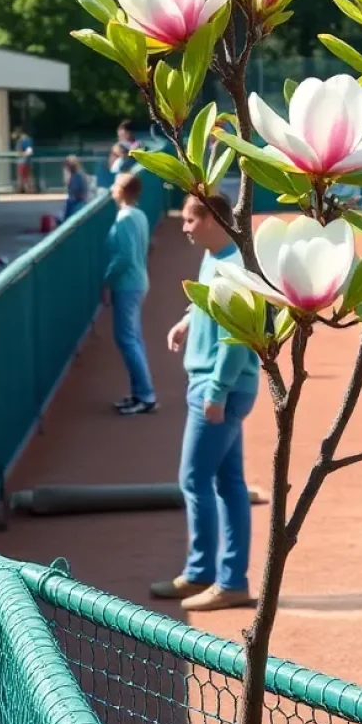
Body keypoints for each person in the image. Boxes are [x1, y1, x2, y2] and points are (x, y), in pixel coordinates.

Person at [151, 193, 259, 612]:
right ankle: (225, 578)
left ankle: (208, 575)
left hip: (220, 389)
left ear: (213, 219)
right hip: (221, 385)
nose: (185, 227)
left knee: (194, 479)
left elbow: (234, 340)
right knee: (227, 483)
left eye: (191, 220)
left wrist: (215, 392)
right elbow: (205, 304)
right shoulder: (217, 258)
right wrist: (185, 320)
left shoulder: (230, 268)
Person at [104, 172, 158, 416]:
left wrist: (107, 281)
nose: (112, 189)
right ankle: (140, 393)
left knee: (127, 339)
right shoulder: (139, 215)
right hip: (137, 282)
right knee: (133, 338)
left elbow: (124, 257)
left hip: (127, 285)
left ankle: (146, 395)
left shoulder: (125, 218)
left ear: (123, 191)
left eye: (116, 186)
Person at [63, 156, 90, 221]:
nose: (67, 167)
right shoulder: (73, 175)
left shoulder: (79, 175)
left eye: (68, 165)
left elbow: (82, 191)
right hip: (72, 202)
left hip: (78, 203)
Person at [14, 127, 34, 193]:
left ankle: (28, 190)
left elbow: (29, 151)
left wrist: (22, 154)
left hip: (24, 161)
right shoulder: (20, 140)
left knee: (25, 177)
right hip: (22, 161)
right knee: (23, 177)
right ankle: (24, 189)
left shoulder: (26, 140)